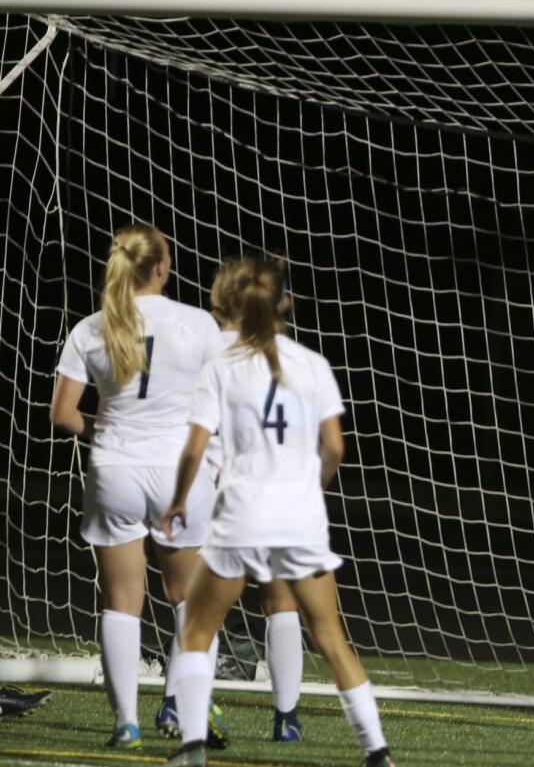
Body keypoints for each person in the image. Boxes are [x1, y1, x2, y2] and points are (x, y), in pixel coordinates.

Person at [160, 258, 394, 767]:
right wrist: (312, 486)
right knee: (331, 638)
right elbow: (335, 447)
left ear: (228, 304)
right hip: (300, 518)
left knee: (197, 631)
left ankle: (193, 748)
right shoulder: (312, 365)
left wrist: (178, 500)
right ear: (284, 304)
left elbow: (194, 449)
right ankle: (378, 754)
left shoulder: (220, 367)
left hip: (240, 514)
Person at [50, 225, 228, 750]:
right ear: (160, 268)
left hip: (117, 472)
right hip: (180, 473)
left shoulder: (90, 327)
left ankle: (125, 722)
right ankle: (180, 709)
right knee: (190, 601)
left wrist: (99, 429)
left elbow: (62, 415)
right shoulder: (198, 324)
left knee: (122, 600)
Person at [164, 257, 307, 744]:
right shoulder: (285, 355)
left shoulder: (196, 347)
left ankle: (174, 705)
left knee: (197, 605)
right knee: (280, 596)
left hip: (205, 484)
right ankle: (286, 717)